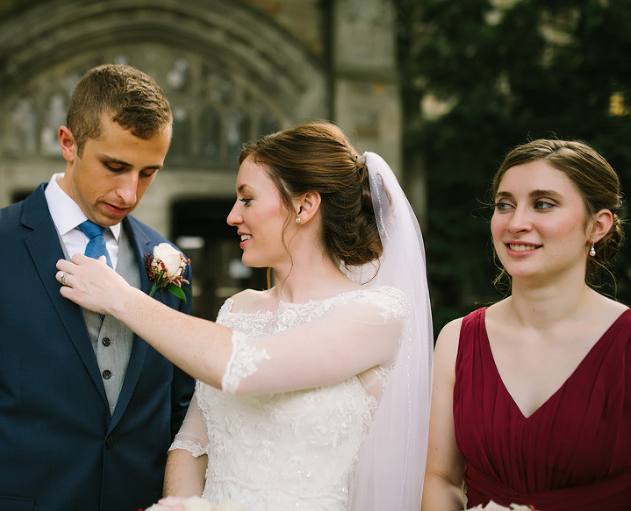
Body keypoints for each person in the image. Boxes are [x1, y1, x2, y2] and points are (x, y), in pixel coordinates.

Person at [56, 122, 434, 511]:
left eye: (247, 199)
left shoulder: (376, 314)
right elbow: (192, 443)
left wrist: (123, 299)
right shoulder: (237, 308)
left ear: (305, 206)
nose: (232, 216)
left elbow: (246, 368)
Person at [0, 64, 194, 511]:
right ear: (68, 143)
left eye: (149, 172)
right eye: (115, 166)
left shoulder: (169, 261)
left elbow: (179, 411)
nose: (129, 192)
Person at [422, 139, 630, 510]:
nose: (516, 223)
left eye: (543, 204)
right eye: (504, 205)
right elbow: (440, 477)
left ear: (597, 226)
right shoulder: (457, 340)